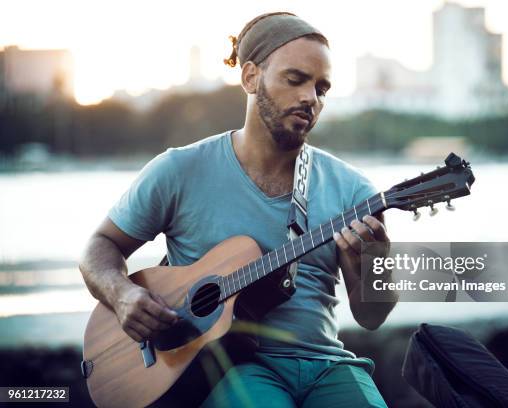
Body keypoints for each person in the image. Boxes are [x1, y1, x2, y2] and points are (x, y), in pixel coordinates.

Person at [79, 11, 398, 408]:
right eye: (295, 79)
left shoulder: (355, 191)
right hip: (233, 367)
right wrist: (122, 294)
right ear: (250, 77)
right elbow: (100, 245)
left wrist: (372, 267)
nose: (310, 98)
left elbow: (372, 317)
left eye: (322, 88)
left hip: (329, 365)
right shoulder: (180, 170)